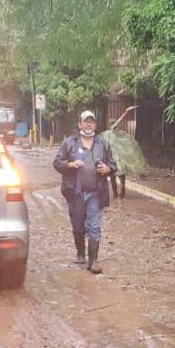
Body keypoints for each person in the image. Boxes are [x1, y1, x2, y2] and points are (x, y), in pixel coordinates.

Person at [53, 110, 117, 274]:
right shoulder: (69, 143)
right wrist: (70, 165)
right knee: (78, 226)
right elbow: (57, 163)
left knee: (94, 226)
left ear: (95, 125)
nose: (89, 124)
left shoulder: (103, 144)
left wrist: (107, 168)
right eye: (86, 121)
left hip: (96, 193)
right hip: (75, 192)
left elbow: (113, 166)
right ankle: (80, 253)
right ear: (80, 123)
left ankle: (93, 261)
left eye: (92, 122)